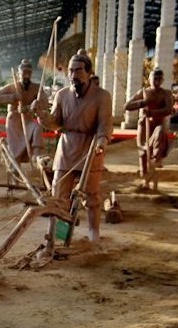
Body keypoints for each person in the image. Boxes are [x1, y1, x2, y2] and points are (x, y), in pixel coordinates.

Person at [31, 49, 113, 244]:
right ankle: (58, 235)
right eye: (71, 71)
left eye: (78, 70)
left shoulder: (102, 96)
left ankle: (93, 232)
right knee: (59, 195)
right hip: (66, 149)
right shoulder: (61, 95)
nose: (73, 75)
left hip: (90, 149)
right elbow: (55, 123)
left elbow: (105, 125)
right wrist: (41, 115)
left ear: (89, 72)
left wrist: (102, 142)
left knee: (91, 197)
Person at [0, 59, 47, 166]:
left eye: (29, 73)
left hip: (27, 120)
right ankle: (15, 169)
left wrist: (35, 105)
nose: (26, 75)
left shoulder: (36, 88)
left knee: (37, 127)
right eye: (24, 73)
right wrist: (13, 97)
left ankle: (37, 153)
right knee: (15, 152)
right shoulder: (12, 87)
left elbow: (45, 103)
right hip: (14, 122)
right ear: (18, 74)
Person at [123, 67, 174, 178]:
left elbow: (169, 109)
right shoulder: (144, 92)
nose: (157, 81)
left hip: (158, 125)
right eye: (155, 78)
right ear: (149, 79)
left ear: (162, 80)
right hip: (144, 125)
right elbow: (127, 106)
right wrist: (143, 103)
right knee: (143, 150)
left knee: (159, 136)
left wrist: (152, 112)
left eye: (160, 78)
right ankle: (143, 175)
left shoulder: (166, 94)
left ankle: (154, 164)